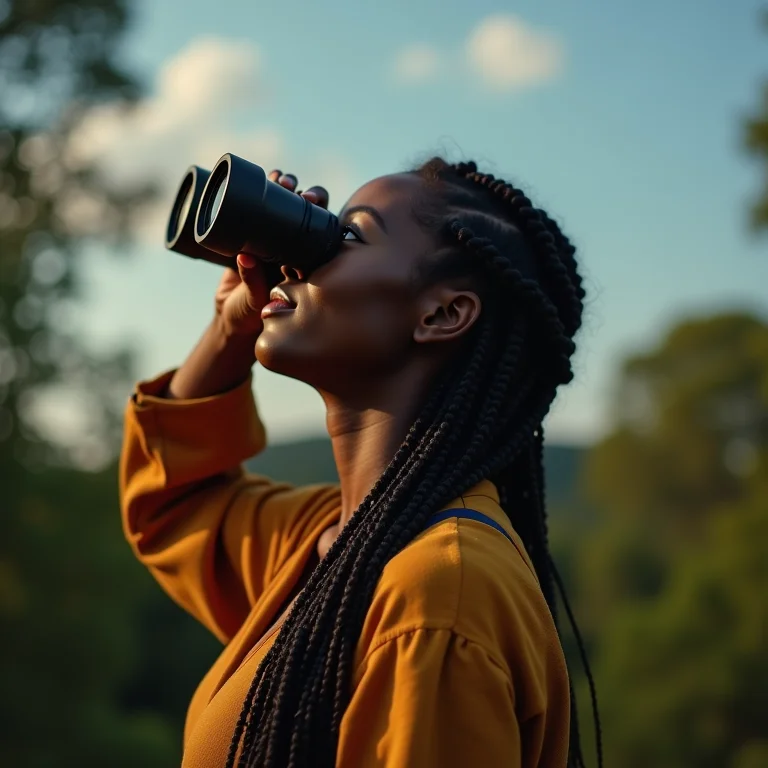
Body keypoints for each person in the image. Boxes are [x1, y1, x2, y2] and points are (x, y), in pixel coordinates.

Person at [120, 157, 601, 768]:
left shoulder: (437, 596)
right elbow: (175, 506)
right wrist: (229, 329)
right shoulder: (337, 543)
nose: (296, 259)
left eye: (346, 235)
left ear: (441, 314)